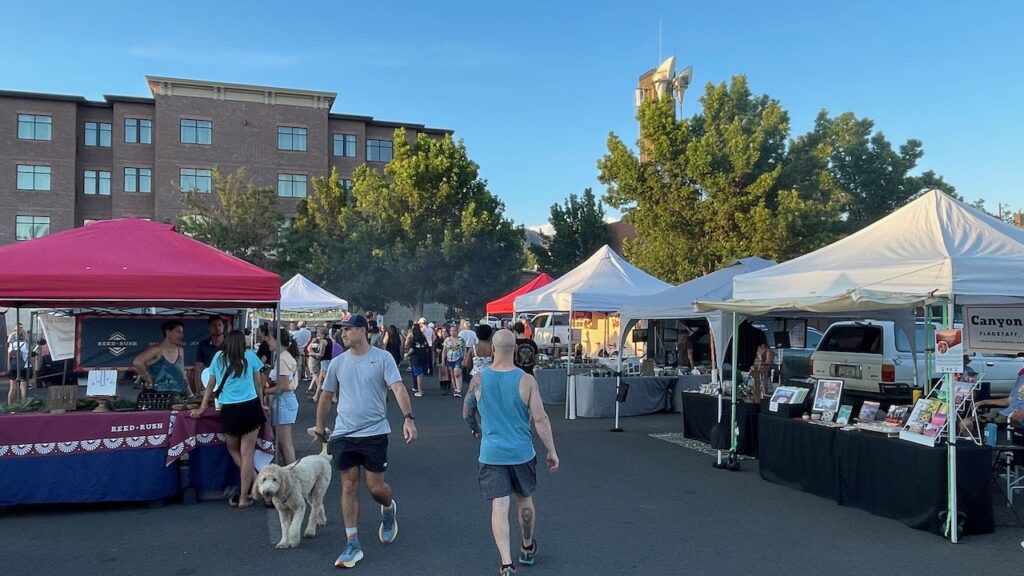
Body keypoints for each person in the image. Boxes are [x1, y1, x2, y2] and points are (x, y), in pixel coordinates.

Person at [313, 314, 418, 569]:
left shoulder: (382, 358)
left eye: (347, 330)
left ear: (362, 330)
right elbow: (326, 396)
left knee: (375, 489)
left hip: (374, 433)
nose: (342, 334)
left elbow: (399, 388)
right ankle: (352, 543)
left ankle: (389, 508)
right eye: (341, 331)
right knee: (348, 486)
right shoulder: (337, 363)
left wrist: (408, 418)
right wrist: (319, 426)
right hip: (344, 434)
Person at [468, 329, 559, 576]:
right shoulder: (527, 380)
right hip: (521, 452)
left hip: (492, 453)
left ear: (493, 349)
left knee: (499, 505)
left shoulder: (478, 379)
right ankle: (527, 547)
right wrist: (551, 450)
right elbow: (539, 419)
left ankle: (506, 563)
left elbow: (467, 412)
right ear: (516, 350)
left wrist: (477, 429)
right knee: (524, 499)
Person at [190, 330, 266, 508]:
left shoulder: (218, 357)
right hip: (251, 407)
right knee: (248, 454)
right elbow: (258, 384)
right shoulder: (250, 356)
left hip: (229, 410)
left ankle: (254, 485)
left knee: (234, 450)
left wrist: (202, 407)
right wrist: (262, 403)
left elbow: (210, 384)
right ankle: (246, 495)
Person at [264, 329, 299, 465]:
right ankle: (291, 472)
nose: (268, 341)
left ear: (277, 341)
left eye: (270, 339)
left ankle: (292, 474)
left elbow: (283, 386)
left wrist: (265, 391)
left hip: (284, 400)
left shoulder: (282, 359)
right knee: (283, 443)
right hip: (286, 400)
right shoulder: (285, 356)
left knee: (285, 443)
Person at [132, 320, 188, 395]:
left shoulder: (180, 350)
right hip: (157, 395)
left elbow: (183, 375)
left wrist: (190, 395)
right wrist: (148, 380)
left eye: (182, 332)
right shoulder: (156, 349)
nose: (181, 335)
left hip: (178, 395)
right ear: (168, 332)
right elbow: (137, 362)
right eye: (178, 332)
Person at [193, 315, 225, 396]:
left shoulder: (230, 343)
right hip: (209, 381)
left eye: (219, 325)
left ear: (223, 326)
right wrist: (198, 391)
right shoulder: (203, 344)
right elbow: (198, 368)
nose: (217, 328)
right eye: (214, 325)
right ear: (209, 328)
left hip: (228, 383)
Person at [404, 323, 430, 397]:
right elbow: (427, 347)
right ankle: (420, 389)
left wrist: (407, 354)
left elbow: (412, 349)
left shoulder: (414, 339)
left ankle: (420, 390)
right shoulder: (423, 337)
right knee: (421, 373)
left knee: (418, 374)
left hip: (416, 358)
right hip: (424, 356)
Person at [7, 325, 29, 404]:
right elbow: (31, 356)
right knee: (23, 387)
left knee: (12, 387)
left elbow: (9, 355)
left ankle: (10, 405)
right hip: (24, 367)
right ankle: (25, 404)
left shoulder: (11, 345)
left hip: (13, 367)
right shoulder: (26, 345)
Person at [443, 325, 466, 398]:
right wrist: (443, 360)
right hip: (450, 358)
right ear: (449, 332)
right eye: (451, 331)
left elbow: (464, 349)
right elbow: (444, 350)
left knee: (457, 373)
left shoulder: (461, 340)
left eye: (454, 331)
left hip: (458, 357)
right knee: (452, 374)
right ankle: (455, 389)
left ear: (457, 331)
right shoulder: (447, 340)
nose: (453, 332)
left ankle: (459, 390)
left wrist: (464, 358)